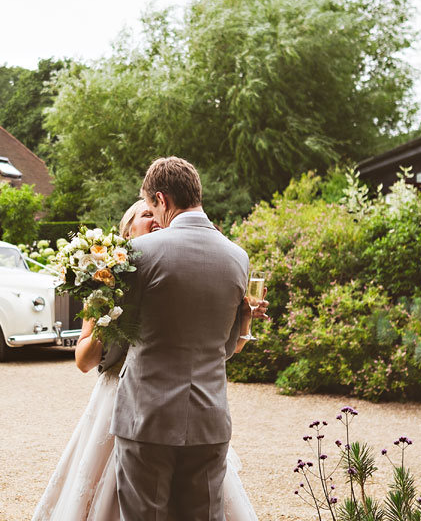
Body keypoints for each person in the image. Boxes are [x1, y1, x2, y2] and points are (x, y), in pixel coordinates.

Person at [32, 187, 263, 520]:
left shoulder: (172, 271)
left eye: (156, 213)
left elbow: (218, 349)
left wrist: (243, 319)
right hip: (120, 403)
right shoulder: (107, 283)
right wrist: (107, 315)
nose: (155, 220)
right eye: (146, 215)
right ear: (128, 233)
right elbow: (84, 360)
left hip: (170, 410)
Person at [112, 156, 252, 520]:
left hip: (148, 418)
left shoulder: (139, 254)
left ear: (163, 200)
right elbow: (224, 349)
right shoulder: (238, 257)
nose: (154, 220)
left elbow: (119, 333)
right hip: (210, 417)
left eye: (151, 209)